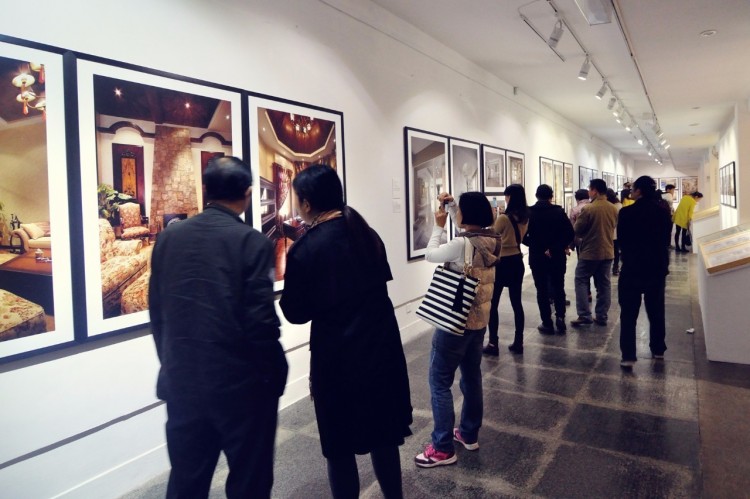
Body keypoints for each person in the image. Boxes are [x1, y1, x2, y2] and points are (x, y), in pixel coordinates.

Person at [148, 156, 289, 499]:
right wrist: (275, 373)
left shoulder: (169, 237)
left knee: (186, 483)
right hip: (242, 388)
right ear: (247, 193)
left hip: (182, 382)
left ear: (206, 190)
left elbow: (158, 312)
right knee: (249, 483)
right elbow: (261, 324)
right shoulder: (252, 242)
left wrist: (172, 362)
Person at [279, 165, 412, 498]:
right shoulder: (366, 233)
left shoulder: (306, 248)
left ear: (307, 203)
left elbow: (295, 313)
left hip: (337, 360)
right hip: (381, 350)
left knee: (339, 448)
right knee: (384, 438)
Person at [415, 191, 500, 467]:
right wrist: (453, 207)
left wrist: (438, 226)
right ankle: (468, 433)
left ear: (468, 214)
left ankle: (442, 448)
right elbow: (467, 231)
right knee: (471, 377)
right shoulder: (491, 239)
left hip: (455, 322)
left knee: (439, 381)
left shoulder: (460, 244)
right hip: (478, 321)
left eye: (460, 209)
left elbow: (431, 254)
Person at [617, 176, 673, 368]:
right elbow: (665, 240)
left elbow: (622, 241)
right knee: (656, 310)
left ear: (639, 191)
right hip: (656, 267)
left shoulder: (626, 213)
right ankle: (658, 349)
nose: (631, 191)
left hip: (632, 267)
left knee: (628, 313)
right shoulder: (662, 212)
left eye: (633, 188)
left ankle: (628, 355)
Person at [484, 184, 529, 355]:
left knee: (493, 303)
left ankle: (493, 343)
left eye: (506, 196)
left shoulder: (503, 218)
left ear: (510, 197)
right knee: (517, 303)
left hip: (502, 263)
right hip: (517, 261)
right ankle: (519, 342)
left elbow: (492, 236)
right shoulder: (525, 217)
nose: (505, 199)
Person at [524, 184, 574, 334]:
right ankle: (560, 317)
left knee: (541, 290)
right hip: (557, 255)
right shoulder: (558, 212)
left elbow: (523, 236)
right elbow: (569, 234)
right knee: (559, 287)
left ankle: (547, 322)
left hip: (537, 256)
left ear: (536, 195)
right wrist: (555, 248)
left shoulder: (530, 213)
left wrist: (539, 247)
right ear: (551, 196)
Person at [571, 178, 618, 327]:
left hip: (590, 252)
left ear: (595, 191)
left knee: (581, 280)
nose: (589, 192)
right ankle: (602, 315)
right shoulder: (613, 208)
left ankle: (584, 314)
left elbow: (577, 230)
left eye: (590, 189)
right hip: (608, 251)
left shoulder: (589, 209)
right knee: (604, 284)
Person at [606, 188, 623, 275]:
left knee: (608, 251)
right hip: (616, 232)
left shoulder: (607, 206)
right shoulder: (619, 205)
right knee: (616, 252)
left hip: (607, 232)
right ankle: (615, 268)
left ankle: (608, 268)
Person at [568, 188, 590, 255]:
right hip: (594, 239)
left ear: (577, 199)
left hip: (580, 240)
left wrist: (571, 243)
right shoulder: (594, 207)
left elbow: (572, 228)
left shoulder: (574, 210)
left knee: (581, 258)